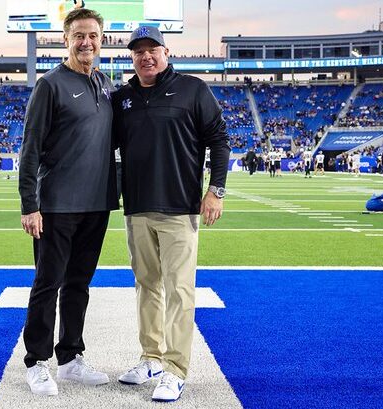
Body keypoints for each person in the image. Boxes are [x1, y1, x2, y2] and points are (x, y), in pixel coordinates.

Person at [112, 26, 230, 403]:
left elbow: (220, 140)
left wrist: (216, 191)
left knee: (179, 290)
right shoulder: (123, 97)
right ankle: (151, 358)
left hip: (180, 207)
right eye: (138, 51)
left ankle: (176, 370)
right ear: (132, 57)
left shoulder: (193, 89)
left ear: (166, 52)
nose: (146, 56)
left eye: (153, 50)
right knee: (146, 286)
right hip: (137, 208)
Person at [18, 8, 117, 397]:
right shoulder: (50, 85)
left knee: (79, 284)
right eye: (79, 35)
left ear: (102, 39)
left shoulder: (107, 85)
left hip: (97, 204)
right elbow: (30, 149)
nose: (86, 42)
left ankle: (71, 358)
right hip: (57, 204)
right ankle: (36, 361)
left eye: (93, 35)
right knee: (47, 283)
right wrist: (30, 204)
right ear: (66, 39)